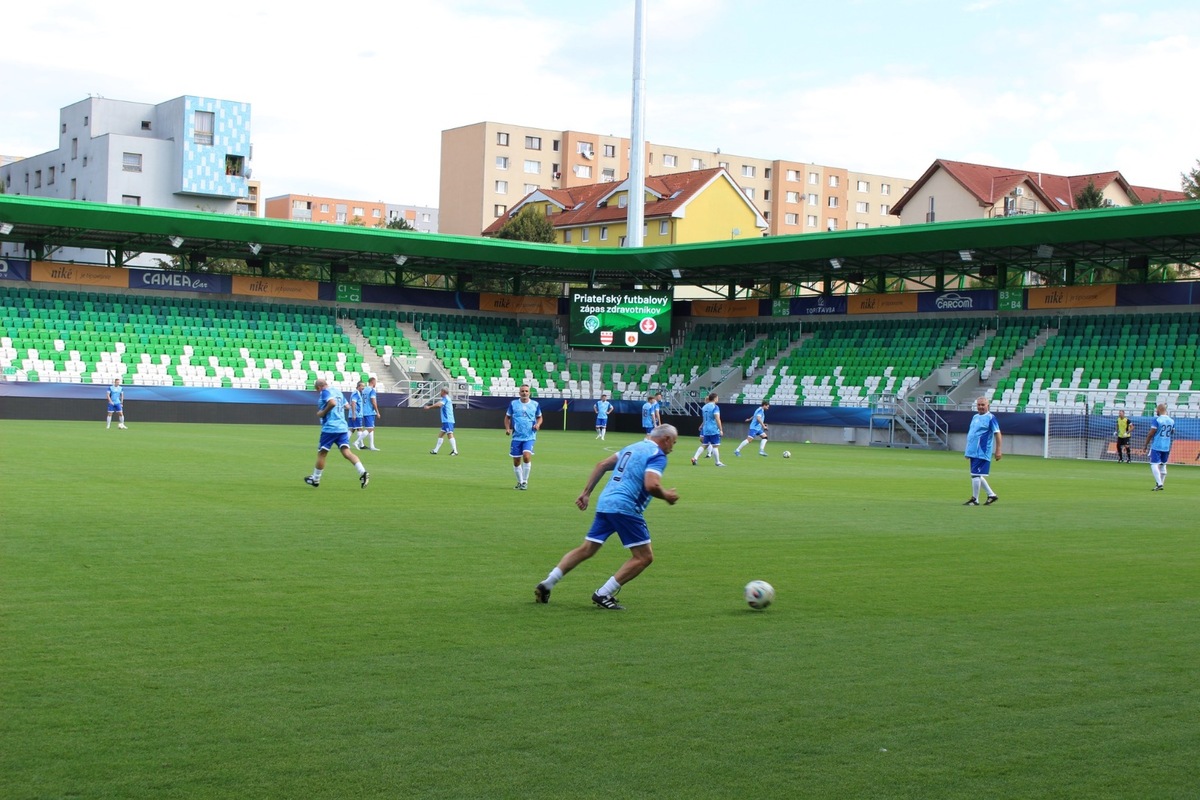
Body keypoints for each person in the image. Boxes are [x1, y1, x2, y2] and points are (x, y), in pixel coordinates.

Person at [534, 424, 680, 610]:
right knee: (644, 557)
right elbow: (651, 485)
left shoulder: (632, 447)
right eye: (673, 442)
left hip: (606, 502)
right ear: (666, 439)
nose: (672, 448)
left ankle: (547, 584)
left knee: (587, 549)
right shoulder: (657, 455)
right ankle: (604, 593)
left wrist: (586, 493)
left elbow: (601, 465)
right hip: (626, 507)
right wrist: (667, 496)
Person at [305, 378, 369, 489]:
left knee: (322, 454)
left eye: (317, 390)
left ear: (319, 387)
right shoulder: (337, 391)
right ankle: (363, 472)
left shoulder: (325, 392)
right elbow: (347, 406)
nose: (318, 392)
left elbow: (332, 403)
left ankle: (315, 479)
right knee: (347, 453)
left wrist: (323, 413)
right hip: (342, 428)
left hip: (330, 428)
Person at [963, 396, 1001, 505]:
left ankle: (975, 499)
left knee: (975, 474)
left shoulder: (991, 418)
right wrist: (968, 451)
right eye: (979, 405)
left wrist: (998, 450)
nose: (980, 407)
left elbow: (997, 433)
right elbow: (972, 434)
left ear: (988, 405)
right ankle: (991, 495)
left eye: (983, 405)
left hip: (982, 451)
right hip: (973, 452)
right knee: (976, 474)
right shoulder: (975, 417)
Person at [504, 384, 542, 490]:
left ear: (529, 393)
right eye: (522, 391)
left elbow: (539, 417)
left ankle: (525, 481)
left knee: (526, 456)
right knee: (516, 461)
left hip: (530, 436)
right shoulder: (513, 404)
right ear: (519, 393)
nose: (524, 393)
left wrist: (538, 424)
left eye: (526, 391)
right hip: (516, 436)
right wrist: (507, 428)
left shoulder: (535, 404)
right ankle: (520, 482)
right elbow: (507, 417)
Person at [1144, 403, 1175, 491]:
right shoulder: (1171, 421)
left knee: (1154, 464)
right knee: (1163, 465)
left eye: (1156, 410)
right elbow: (1172, 432)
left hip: (1157, 445)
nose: (1156, 412)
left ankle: (1159, 483)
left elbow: (1151, 433)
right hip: (1166, 446)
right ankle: (1161, 484)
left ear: (1159, 410)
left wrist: (1145, 445)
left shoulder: (1157, 420)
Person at [691, 392, 725, 466]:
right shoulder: (715, 407)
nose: (718, 399)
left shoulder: (704, 407)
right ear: (715, 398)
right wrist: (721, 429)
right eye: (717, 398)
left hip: (706, 429)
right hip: (713, 429)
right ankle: (717, 462)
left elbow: (705, 419)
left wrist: (702, 425)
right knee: (715, 446)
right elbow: (717, 419)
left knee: (704, 444)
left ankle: (695, 458)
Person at [425, 387, 459, 455]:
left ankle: (455, 451)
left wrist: (429, 407)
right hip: (447, 420)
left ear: (443, 392)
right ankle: (435, 450)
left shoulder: (446, 398)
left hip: (448, 420)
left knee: (449, 434)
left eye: (441, 391)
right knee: (441, 434)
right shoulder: (446, 398)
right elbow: (439, 403)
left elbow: (439, 405)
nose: (440, 393)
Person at [360, 376, 381, 450]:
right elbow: (373, 401)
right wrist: (377, 412)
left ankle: (372, 446)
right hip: (370, 411)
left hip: (364, 410)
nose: (376, 383)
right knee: (370, 428)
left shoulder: (364, 390)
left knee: (371, 428)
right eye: (375, 382)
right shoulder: (372, 390)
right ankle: (357, 441)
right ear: (373, 382)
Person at [348, 381, 364, 449]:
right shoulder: (356, 394)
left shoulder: (356, 393)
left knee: (352, 429)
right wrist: (354, 414)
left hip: (355, 414)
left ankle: (344, 442)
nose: (363, 387)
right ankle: (361, 445)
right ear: (358, 386)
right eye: (362, 386)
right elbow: (353, 403)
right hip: (356, 414)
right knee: (359, 428)